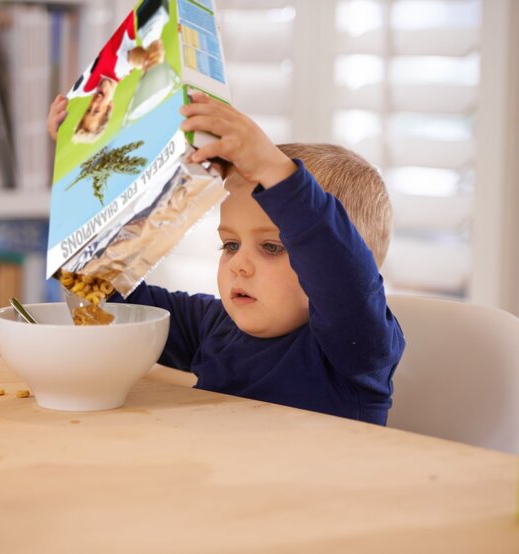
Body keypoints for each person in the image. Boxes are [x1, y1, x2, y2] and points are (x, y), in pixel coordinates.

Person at [47, 91, 405, 425]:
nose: (238, 264)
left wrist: (273, 169)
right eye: (230, 245)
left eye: (271, 247)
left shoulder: (356, 347)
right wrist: (81, 169)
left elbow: (339, 272)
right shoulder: (213, 325)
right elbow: (102, 295)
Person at [63, 11, 165, 144]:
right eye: (97, 110)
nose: (94, 103)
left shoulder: (80, 89)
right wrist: (147, 59)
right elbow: (134, 58)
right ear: (109, 107)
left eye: (89, 109)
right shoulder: (122, 66)